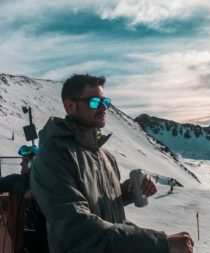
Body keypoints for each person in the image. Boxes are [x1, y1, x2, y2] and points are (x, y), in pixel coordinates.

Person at [31, 74, 194, 253]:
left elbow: (104, 209)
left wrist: (129, 190)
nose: (103, 108)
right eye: (94, 102)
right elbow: (77, 230)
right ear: (70, 106)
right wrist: (163, 243)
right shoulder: (54, 155)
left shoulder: (105, 157)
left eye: (105, 102)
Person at [0, 145, 49, 253]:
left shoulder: (46, 185)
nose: (21, 163)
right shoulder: (13, 181)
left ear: (34, 164)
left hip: (39, 243)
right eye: (22, 160)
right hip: (18, 243)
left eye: (25, 161)